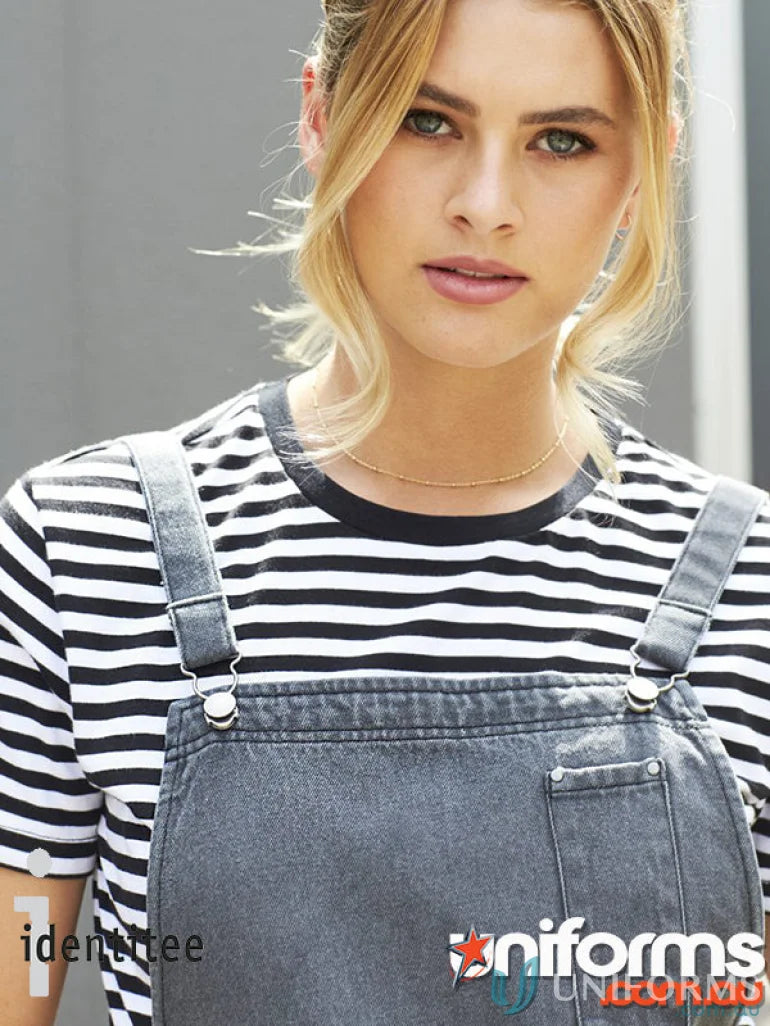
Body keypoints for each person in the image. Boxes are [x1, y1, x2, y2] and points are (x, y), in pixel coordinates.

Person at [1, 0, 769, 1023]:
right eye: (425, 119)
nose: (485, 206)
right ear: (322, 117)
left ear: (644, 170)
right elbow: (20, 979)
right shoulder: (87, 549)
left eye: (560, 140)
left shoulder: (750, 586)